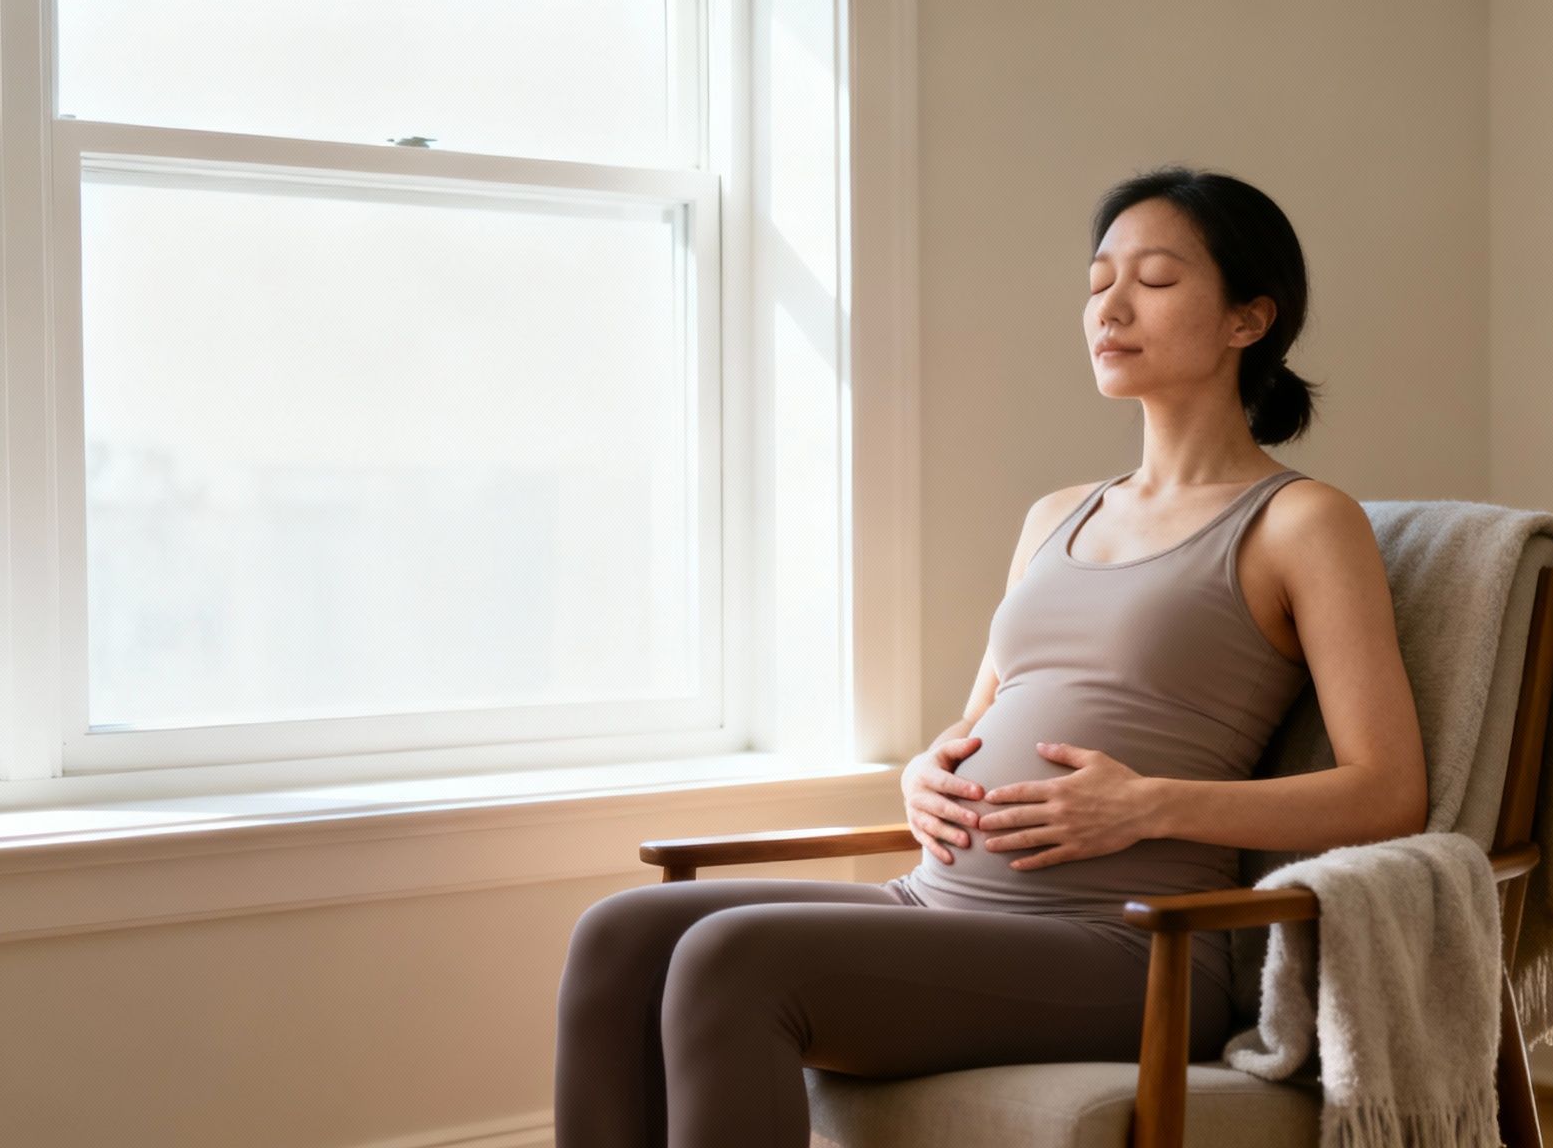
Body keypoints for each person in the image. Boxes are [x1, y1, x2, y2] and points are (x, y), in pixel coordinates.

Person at [551, 164, 1428, 1148]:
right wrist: (928, 768)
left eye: (1154, 279)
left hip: (1126, 942)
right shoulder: (1056, 515)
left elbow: (1387, 789)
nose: (1110, 306)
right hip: (936, 903)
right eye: (1097, 282)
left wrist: (1149, 803)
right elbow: (979, 718)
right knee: (620, 934)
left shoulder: (1300, 522)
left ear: (1246, 320)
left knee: (730, 957)